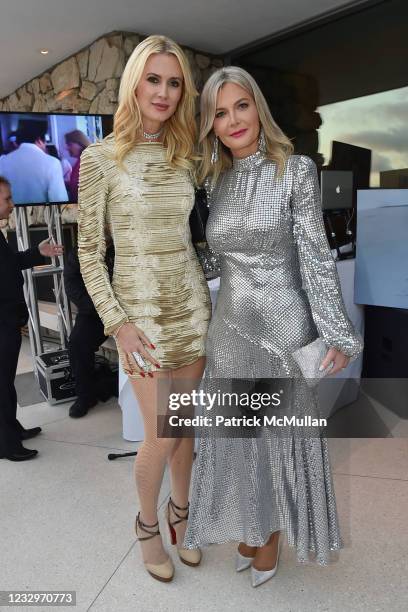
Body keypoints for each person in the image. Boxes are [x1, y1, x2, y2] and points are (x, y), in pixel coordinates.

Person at [183, 67, 364, 587]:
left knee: (279, 442)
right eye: (220, 112)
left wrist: (338, 333)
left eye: (241, 105)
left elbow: (314, 257)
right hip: (230, 333)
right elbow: (223, 258)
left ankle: (274, 537)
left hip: (282, 333)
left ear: (257, 108)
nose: (233, 119)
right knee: (237, 440)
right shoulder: (216, 181)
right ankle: (252, 523)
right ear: (211, 125)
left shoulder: (296, 170)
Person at [77, 35, 212, 582]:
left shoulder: (187, 157)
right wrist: (118, 322)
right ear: (134, 82)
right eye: (153, 79)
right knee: (161, 433)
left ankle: (182, 514)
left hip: (192, 312)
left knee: (184, 428)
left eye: (173, 82)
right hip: (141, 321)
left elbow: (192, 238)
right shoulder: (100, 158)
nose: (163, 91)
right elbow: (88, 253)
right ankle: (146, 526)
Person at [0, 176, 64, 461]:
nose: (12, 205)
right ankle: (6, 445)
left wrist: (37, 252)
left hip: (7, 321)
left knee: (5, 383)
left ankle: (10, 430)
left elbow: (8, 264)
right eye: (6, 199)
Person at [64, 242, 116, 418]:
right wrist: (98, 308)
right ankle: (85, 396)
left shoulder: (125, 240)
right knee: (77, 344)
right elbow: (72, 285)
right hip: (95, 311)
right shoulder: (79, 250)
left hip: (130, 308)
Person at [0, 124, 68, 205]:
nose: (45, 146)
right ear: (39, 140)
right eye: (45, 142)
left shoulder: (3, 161)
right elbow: (59, 200)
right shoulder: (52, 162)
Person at [64, 130, 91, 202]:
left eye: (70, 144)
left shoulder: (88, 162)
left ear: (80, 143)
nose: (67, 148)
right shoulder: (80, 161)